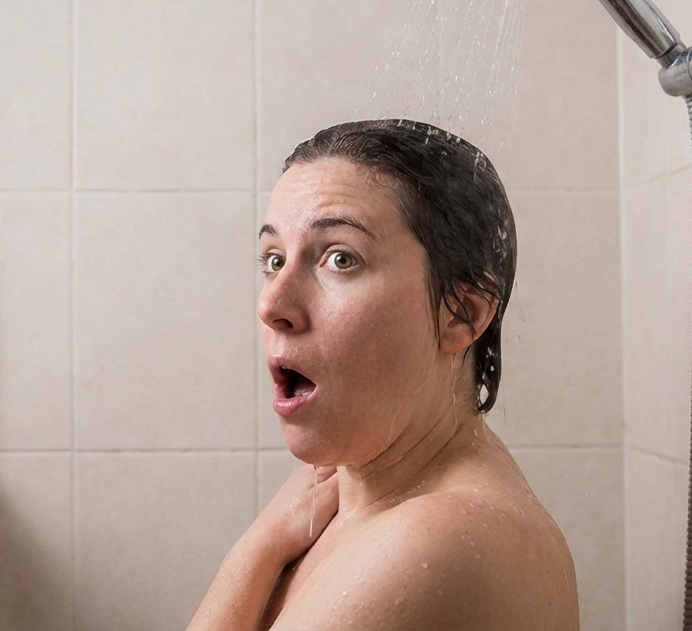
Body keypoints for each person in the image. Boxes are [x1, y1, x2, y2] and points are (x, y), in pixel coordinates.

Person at [188, 119, 579, 630]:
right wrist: (265, 544)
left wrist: (253, 554)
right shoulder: (353, 491)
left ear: (462, 313)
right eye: (274, 259)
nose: (272, 303)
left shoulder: (437, 538)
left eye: (340, 258)